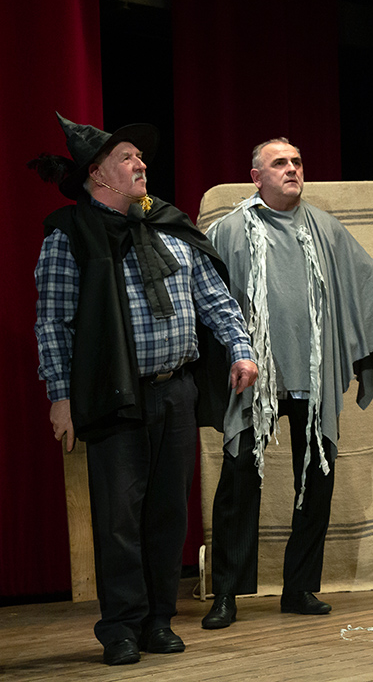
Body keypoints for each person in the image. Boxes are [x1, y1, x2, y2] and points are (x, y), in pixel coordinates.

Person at [31, 114, 258, 666]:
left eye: (140, 156)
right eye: (127, 157)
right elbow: (53, 323)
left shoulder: (167, 225)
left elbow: (213, 296)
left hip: (175, 390)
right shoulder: (70, 234)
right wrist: (60, 397)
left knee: (167, 514)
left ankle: (159, 619)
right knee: (119, 518)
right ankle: (121, 627)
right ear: (97, 173)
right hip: (114, 394)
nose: (141, 164)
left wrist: (240, 347)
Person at [201, 138, 373, 630]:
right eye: (279, 163)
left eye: (296, 162)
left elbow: (367, 279)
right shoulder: (228, 230)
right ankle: (225, 593)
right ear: (256, 177)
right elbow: (204, 296)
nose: (292, 169)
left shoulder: (325, 228)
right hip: (255, 379)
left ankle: (299, 588)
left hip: (313, 378)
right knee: (239, 482)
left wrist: (359, 346)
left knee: (316, 481)